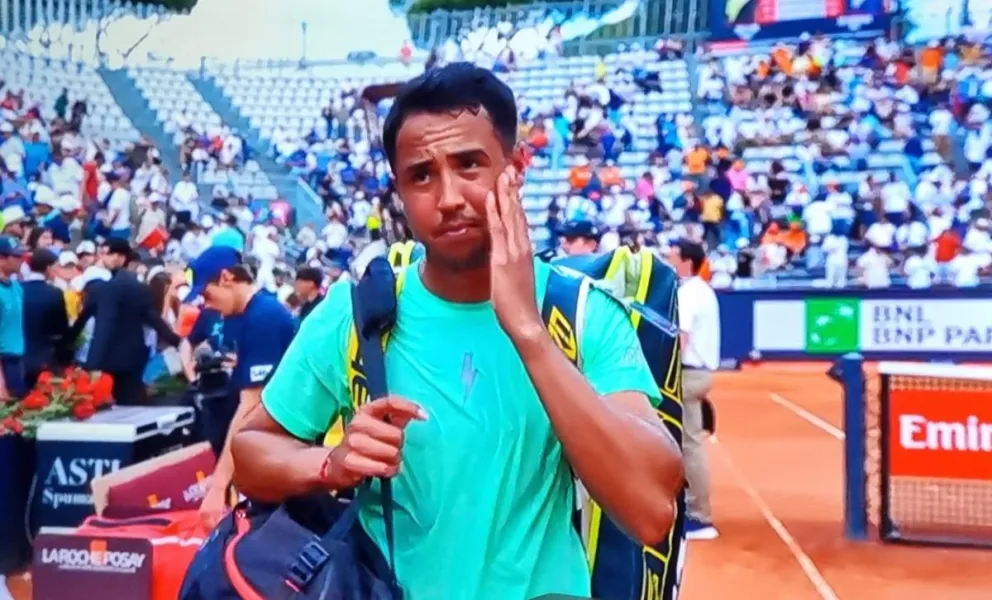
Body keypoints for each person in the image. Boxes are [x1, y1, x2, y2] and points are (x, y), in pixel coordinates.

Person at [231, 63, 683, 600]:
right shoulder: (356, 315)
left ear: (515, 168)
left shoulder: (583, 316)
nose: (447, 198)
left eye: (470, 165)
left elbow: (652, 512)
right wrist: (329, 464)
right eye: (421, 175)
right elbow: (252, 452)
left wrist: (528, 332)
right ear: (398, 190)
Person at [182, 246, 297, 529]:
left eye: (207, 294)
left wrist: (219, 485)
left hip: (287, 447)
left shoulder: (264, 316)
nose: (206, 305)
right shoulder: (241, 317)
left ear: (226, 278)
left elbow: (252, 405)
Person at [69, 239, 181, 405]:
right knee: (133, 406)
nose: (102, 259)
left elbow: (98, 326)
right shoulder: (139, 288)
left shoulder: (105, 289)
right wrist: (178, 342)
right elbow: (155, 320)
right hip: (134, 358)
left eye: (106, 254)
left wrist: (89, 364)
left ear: (119, 257)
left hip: (107, 360)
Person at [669, 239, 721, 540]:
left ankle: (701, 516)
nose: (669, 260)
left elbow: (681, 340)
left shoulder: (689, 294)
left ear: (686, 261)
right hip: (695, 374)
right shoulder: (700, 290)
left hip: (688, 375)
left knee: (690, 444)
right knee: (685, 442)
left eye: (673, 256)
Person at [21, 249, 70, 389]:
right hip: (44, 358)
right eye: (56, 266)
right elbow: (62, 329)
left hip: (18, 358)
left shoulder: (18, 288)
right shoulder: (54, 293)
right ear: (48, 268)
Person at [0, 236, 26, 399]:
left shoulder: (17, 287)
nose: (21, 260)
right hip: (3, 363)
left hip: (17, 360)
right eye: (16, 256)